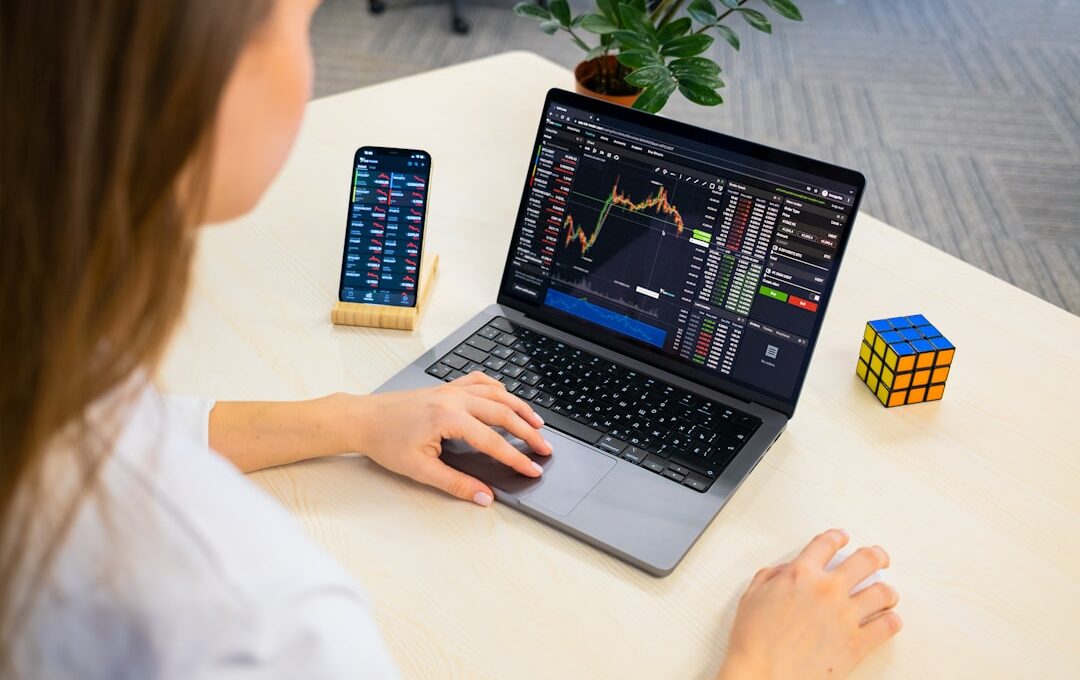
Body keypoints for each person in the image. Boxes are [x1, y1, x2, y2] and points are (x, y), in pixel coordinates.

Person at [0, 0, 902, 677]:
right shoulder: (265, 624)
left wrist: (353, 419)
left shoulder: (38, 389)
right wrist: (763, 667)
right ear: (202, 81)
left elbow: (112, 435)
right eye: (302, 24)